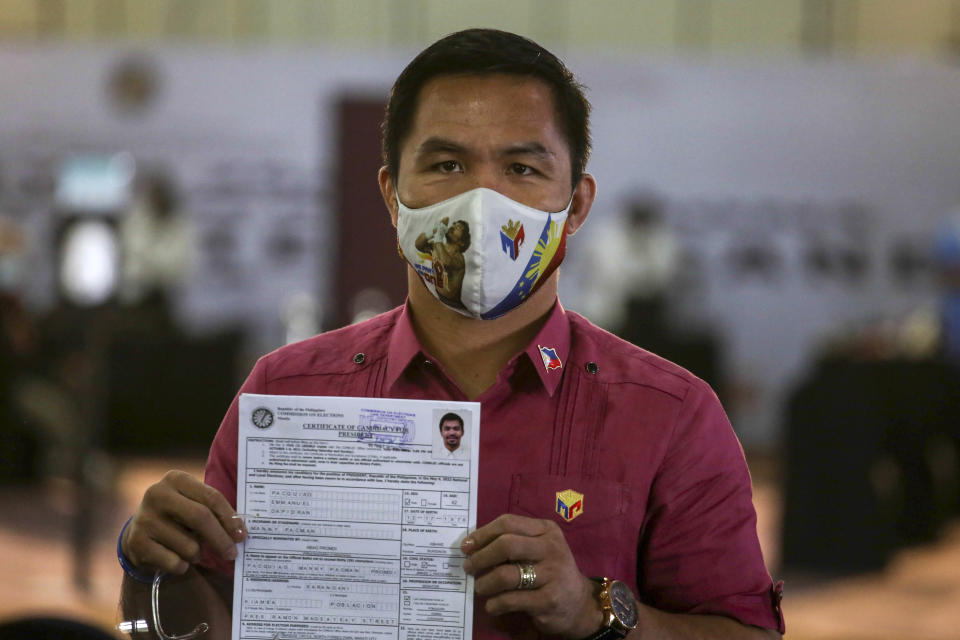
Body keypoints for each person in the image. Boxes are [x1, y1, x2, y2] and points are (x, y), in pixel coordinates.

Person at [119, 28, 784, 639]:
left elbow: (746, 632)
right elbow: (203, 626)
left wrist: (595, 610)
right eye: (445, 165)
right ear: (391, 194)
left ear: (576, 204)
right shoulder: (289, 393)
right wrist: (154, 564)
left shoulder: (669, 414)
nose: (481, 199)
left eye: (522, 168)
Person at [415, 217, 472, 308]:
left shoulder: (459, 259)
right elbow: (418, 244)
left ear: (462, 242)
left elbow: (445, 262)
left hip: (454, 307)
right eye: (453, 225)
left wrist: (438, 236)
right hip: (437, 298)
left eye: (458, 227)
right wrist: (433, 232)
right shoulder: (437, 246)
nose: (452, 227)